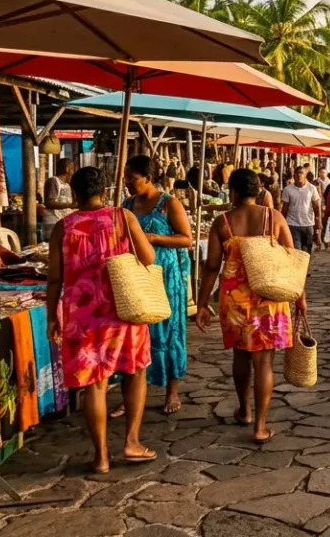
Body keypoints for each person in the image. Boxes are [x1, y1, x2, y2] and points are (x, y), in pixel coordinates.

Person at [46, 167, 158, 473]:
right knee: (134, 373)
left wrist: (51, 316)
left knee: (94, 385)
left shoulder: (64, 227)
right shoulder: (123, 218)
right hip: (123, 310)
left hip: (81, 316)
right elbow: (148, 258)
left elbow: (55, 279)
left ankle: (101, 456)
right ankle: (132, 442)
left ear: (76, 196)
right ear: (105, 192)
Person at [196, 169, 297, 444]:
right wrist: (301, 299)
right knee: (264, 361)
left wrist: (203, 303)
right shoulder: (273, 218)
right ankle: (261, 426)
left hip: (235, 302)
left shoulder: (223, 222)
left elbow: (212, 267)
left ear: (234, 192)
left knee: (240, 356)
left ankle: (245, 410)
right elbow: (293, 260)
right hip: (270, 299)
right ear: (258, 191)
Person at [107, 156, 193, 416]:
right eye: (126, 178)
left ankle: (172, 390)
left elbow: (187, 239)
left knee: (169, 331)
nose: (127, 182)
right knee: (135, 332)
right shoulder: (127, 204)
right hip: (135, 276)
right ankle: (131, 393)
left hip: (165, 276)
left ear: (147, 177)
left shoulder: (170, 204)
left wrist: (154, 238)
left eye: (131, 178)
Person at [281, 166, 321, 253]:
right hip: (293, 224)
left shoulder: (312, 188)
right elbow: (285, 209)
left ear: (305, 175)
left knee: (307, 252)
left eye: (301, 173)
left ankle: (305, 267)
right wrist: (282, 225)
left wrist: (318, 226)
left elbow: (317, 208)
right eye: (297, 173)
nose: (299, 175)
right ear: (294, 175)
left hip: (308, 224)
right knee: (297, 251)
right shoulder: (288, 189)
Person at [42, 158, 76, 241]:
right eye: (72, 169)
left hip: (63, 221)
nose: (73, 172)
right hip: (53, 222)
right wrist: (70, 205)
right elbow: (49, 202)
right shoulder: (53, 181)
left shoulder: (67, 184)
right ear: (67, 169)